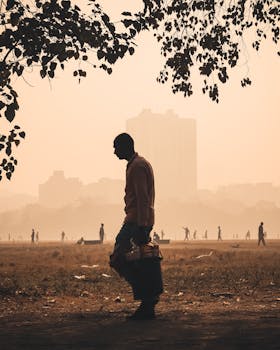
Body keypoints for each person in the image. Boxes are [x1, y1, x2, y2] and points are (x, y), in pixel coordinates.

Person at [110, 133, 163, 320]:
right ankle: (148, 299)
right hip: (138, 219)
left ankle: (148, 298)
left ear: (125, 146)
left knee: (118, 257)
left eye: (116, 147)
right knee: (138, 260)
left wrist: (142, 226)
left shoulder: (138, 166)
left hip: (136, 220)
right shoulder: (137, 164)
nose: (114, 152)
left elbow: (142, 198)